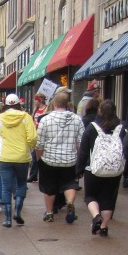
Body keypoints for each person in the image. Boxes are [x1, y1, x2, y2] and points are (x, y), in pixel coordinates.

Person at [76, 99, 125, 237]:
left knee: (90, 196)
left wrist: (79, 170)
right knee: (108, 200)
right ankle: (103, 227)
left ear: (100, 111)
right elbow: (125, 149)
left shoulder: (92, 128)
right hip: (114, 171)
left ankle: (96, 216)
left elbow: (83, 151)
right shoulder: (121, 128)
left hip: (94, 169)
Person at [35, 89, 84, 223]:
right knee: (69, 184)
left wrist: (39, 157)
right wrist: (79, 157)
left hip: (49, 159)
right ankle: (69, 203)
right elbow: (81, 141)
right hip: (69, 159)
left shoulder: (46, 120)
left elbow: (39, 143)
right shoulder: (77, 119)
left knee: (49, 188)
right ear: (67, 104)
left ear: (55, 103)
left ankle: (50, 213)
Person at [0, 95, 37, 227]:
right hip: (22, 156)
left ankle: (7, 219)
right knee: (21, 184)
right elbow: (33, 137)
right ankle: (17, 211)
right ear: (18, 104)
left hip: (4, 156)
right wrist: (29, 146)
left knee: (6, 187)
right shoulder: (26, 117)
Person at [27, 93, 48, 182]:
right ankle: (33, 175)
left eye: (35, 100)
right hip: (36, 134)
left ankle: (40, 175)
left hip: (43, 134)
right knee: (34, 156)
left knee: (41, 156)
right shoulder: (35, 110)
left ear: (39, 100)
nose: (34, 102)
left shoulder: (46, 109)